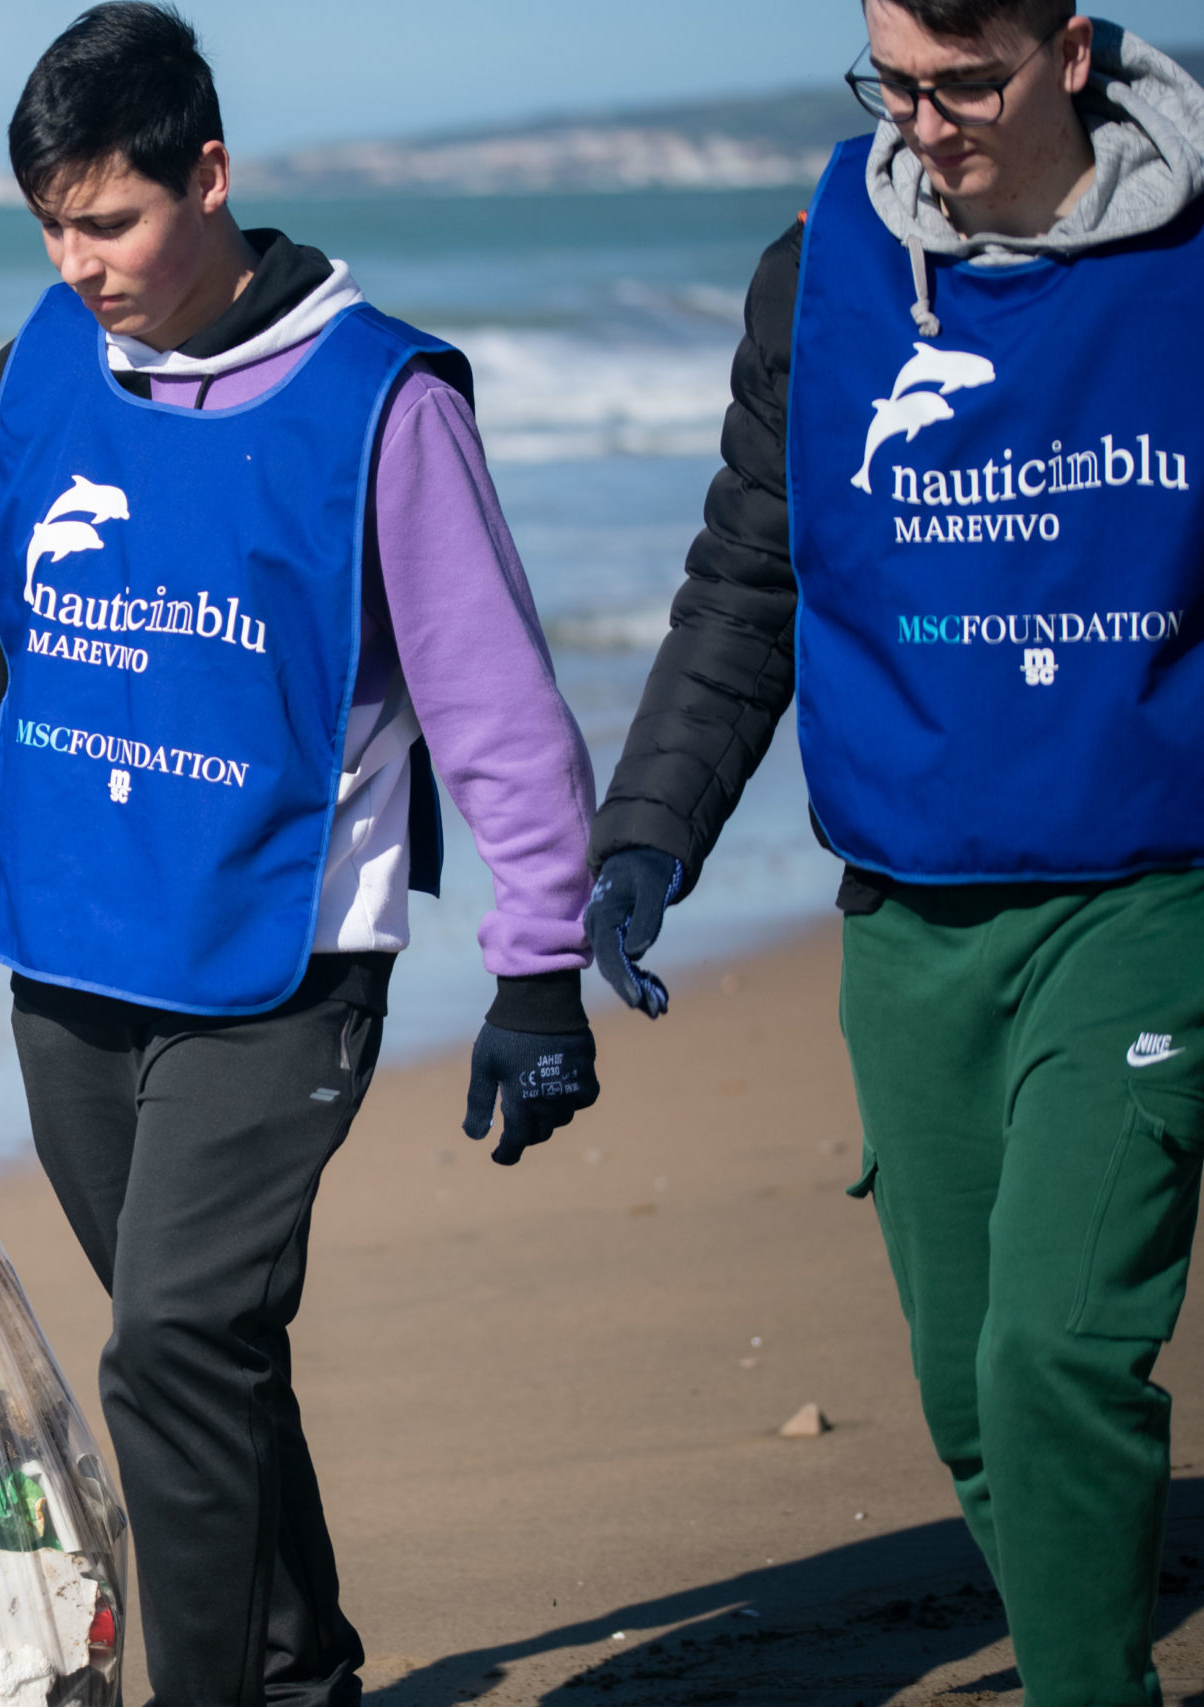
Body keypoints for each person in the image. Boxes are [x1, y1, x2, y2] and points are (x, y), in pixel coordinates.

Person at [0, 6, 601, 1700]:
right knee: (203, 1361)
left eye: (112, 221)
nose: (77, 265)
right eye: (49, 227)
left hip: (281, 961)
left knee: (170, 1343)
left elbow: (495, 703)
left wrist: (538, 970)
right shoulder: (32, 379)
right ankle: (303, 1675)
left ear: (210, 176)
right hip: (73, 957)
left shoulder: (381, 403)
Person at [584, 3, 1204, 1700]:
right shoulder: (821, 273)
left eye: (967, 84)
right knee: (965, 1397)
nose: (924, 127)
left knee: (1053, 1357)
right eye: (895, 84)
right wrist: (647, 839)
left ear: (1065, 51)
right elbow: (749, 579)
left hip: (1149, 896)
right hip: (909, 912)